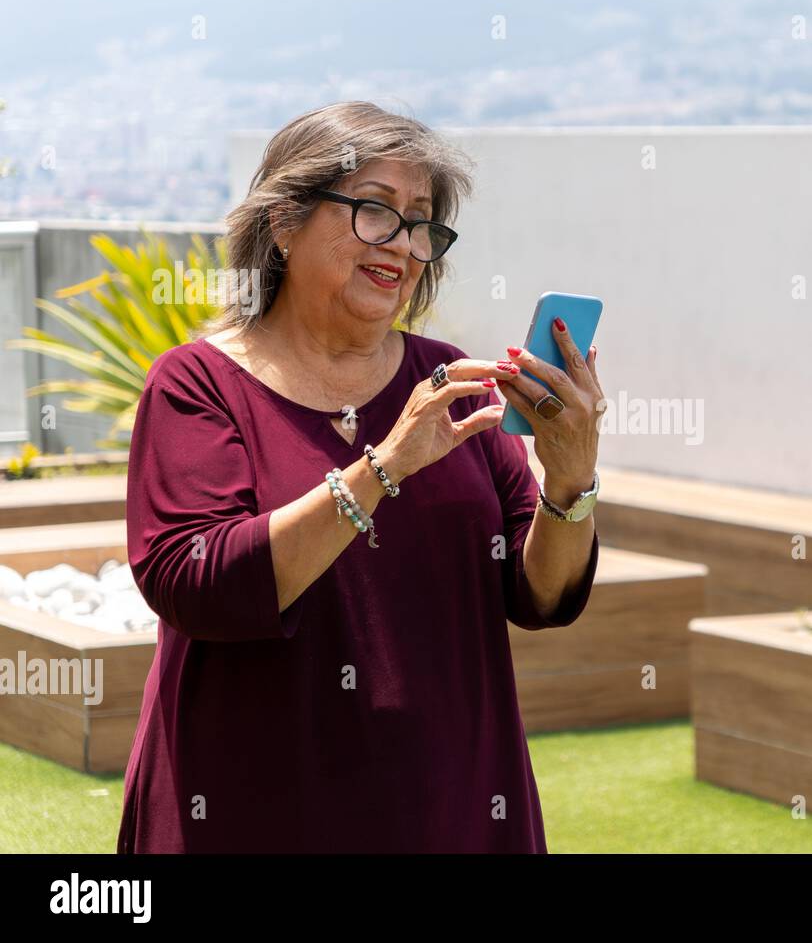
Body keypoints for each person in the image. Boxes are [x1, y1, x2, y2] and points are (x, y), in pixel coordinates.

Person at [116, 102, 603, 852]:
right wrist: (381, 468)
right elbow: (196, 583)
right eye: (376, 211)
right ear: (283, 220)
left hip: (454, 807)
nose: (405, 246)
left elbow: (541, 597)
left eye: (421, 223)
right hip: (253, 812)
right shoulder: (195, 385)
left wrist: (571, 483)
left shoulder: (447, 379)